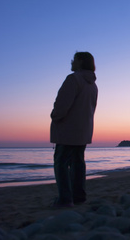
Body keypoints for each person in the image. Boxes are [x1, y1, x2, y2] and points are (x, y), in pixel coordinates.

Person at [50, 52, 98, 207]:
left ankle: (65, 199)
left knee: (61, 163)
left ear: (81, 62)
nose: (71, 62)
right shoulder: (93, 85)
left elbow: (62, 104)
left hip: (67, 129)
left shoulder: (73, 79)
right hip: (83, 129)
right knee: (78, 162)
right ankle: (78, 196)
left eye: (74, 59)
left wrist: (55, 116)